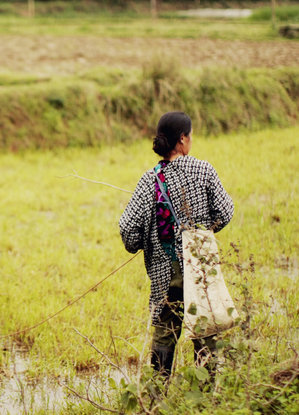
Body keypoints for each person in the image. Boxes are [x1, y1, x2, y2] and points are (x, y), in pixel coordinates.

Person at [119, 111, 234, 381]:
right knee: (205, 333)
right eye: (190, 135)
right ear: (182, 139)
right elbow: (225, 212)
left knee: (164, 336)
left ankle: (156, 399)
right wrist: (205, 229)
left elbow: (127, 229)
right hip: (200, 270)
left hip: (164, 275)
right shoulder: (204, 170)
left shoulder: (150, 180)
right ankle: (204, 399)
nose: (191, 139)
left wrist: (139, 243)